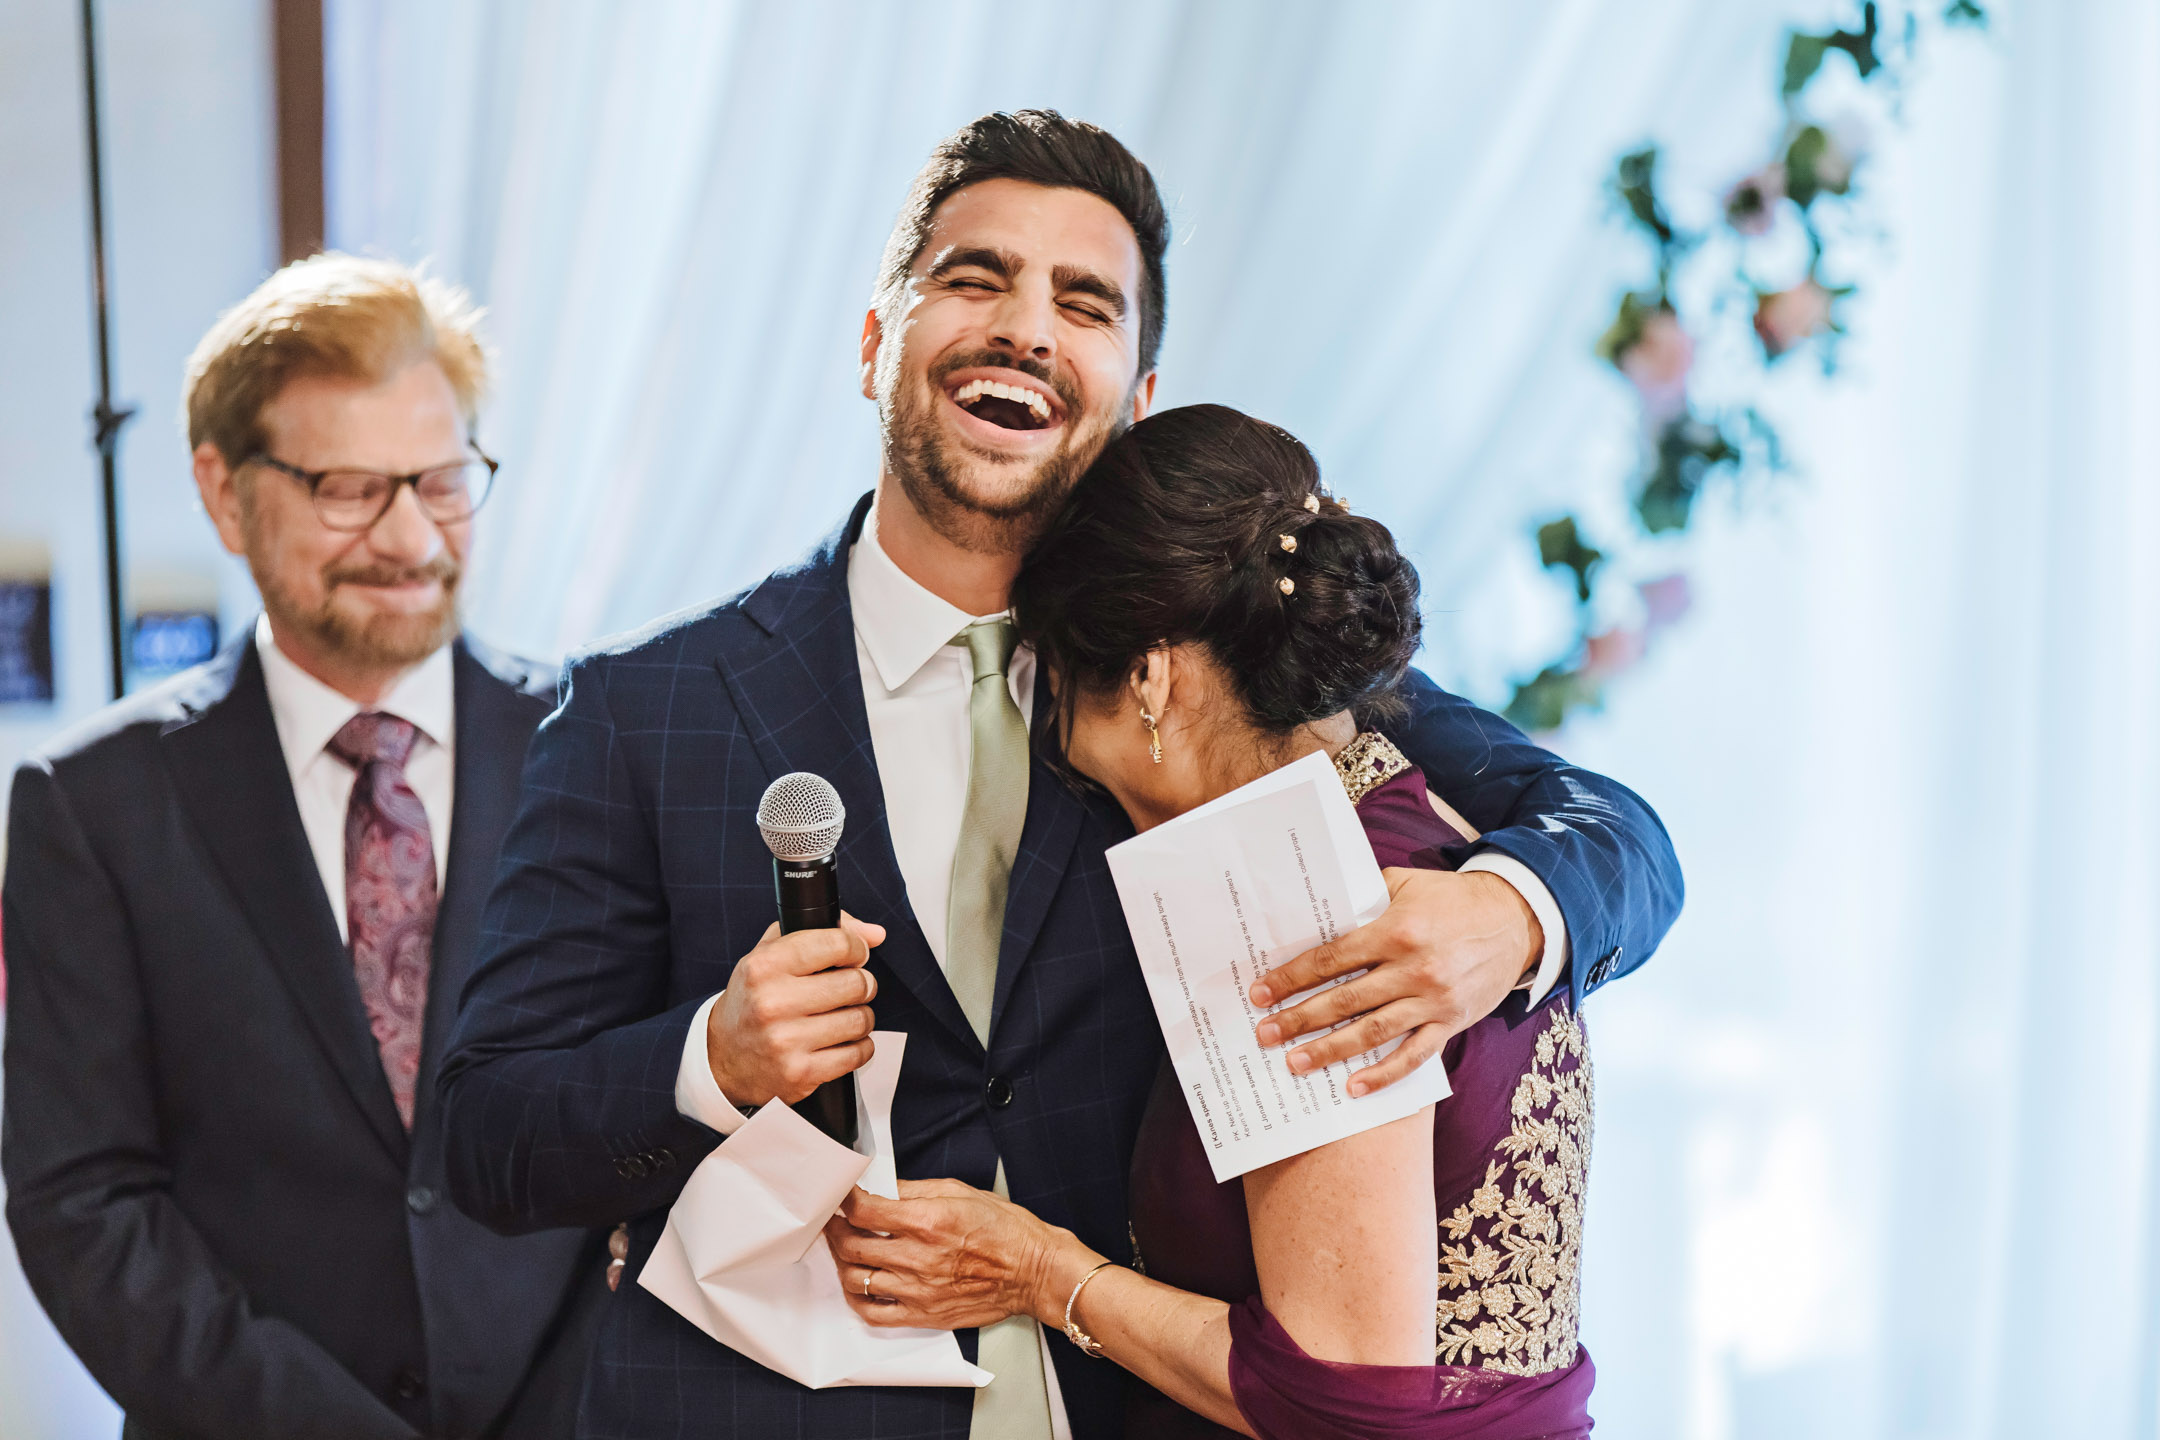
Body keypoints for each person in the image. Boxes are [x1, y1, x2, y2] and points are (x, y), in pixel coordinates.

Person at [438, 110, 1680, 1440]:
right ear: (875, 342)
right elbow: (489, 1135)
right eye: (974, 278)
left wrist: (1510, 916)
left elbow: (1618, 833)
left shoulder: (1223, 672)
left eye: (1083, 303)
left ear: (1135, 399)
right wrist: (714, 1060)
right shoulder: (643, 710)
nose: (1027, 328)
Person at [826, 404, 1598, 1439]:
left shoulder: (1291, 895)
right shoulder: (1426, 817)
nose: (1067, 758)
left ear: (1149, 677)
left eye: (1059, 697)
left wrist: (1038, 1269)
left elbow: (1341, 1399)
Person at [1, 256, 606, 1440]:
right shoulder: (91, 807)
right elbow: (83, 1201)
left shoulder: (601, 752)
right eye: (345, 486)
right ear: (224, 495)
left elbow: (663, 1141)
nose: (408, 536)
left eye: (440, 481)